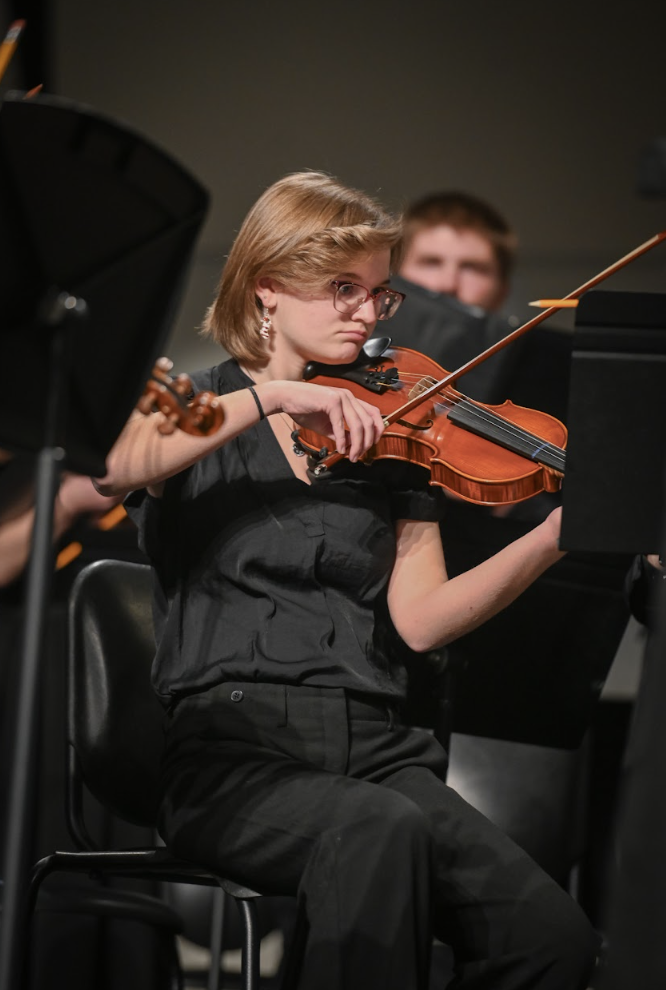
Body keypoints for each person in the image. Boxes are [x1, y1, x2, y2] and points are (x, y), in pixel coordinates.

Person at [94, 171, 598, 990]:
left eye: (378, 294)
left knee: (551, 939)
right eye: (342, 289)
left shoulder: (390, 432)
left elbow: (425, 621)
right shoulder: (200, 405)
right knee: (375, 833)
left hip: (379, 754)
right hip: (235, 755)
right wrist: (275, 397)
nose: (367, 315)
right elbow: (116, 467)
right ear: (267, 292)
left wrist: (556, 536)